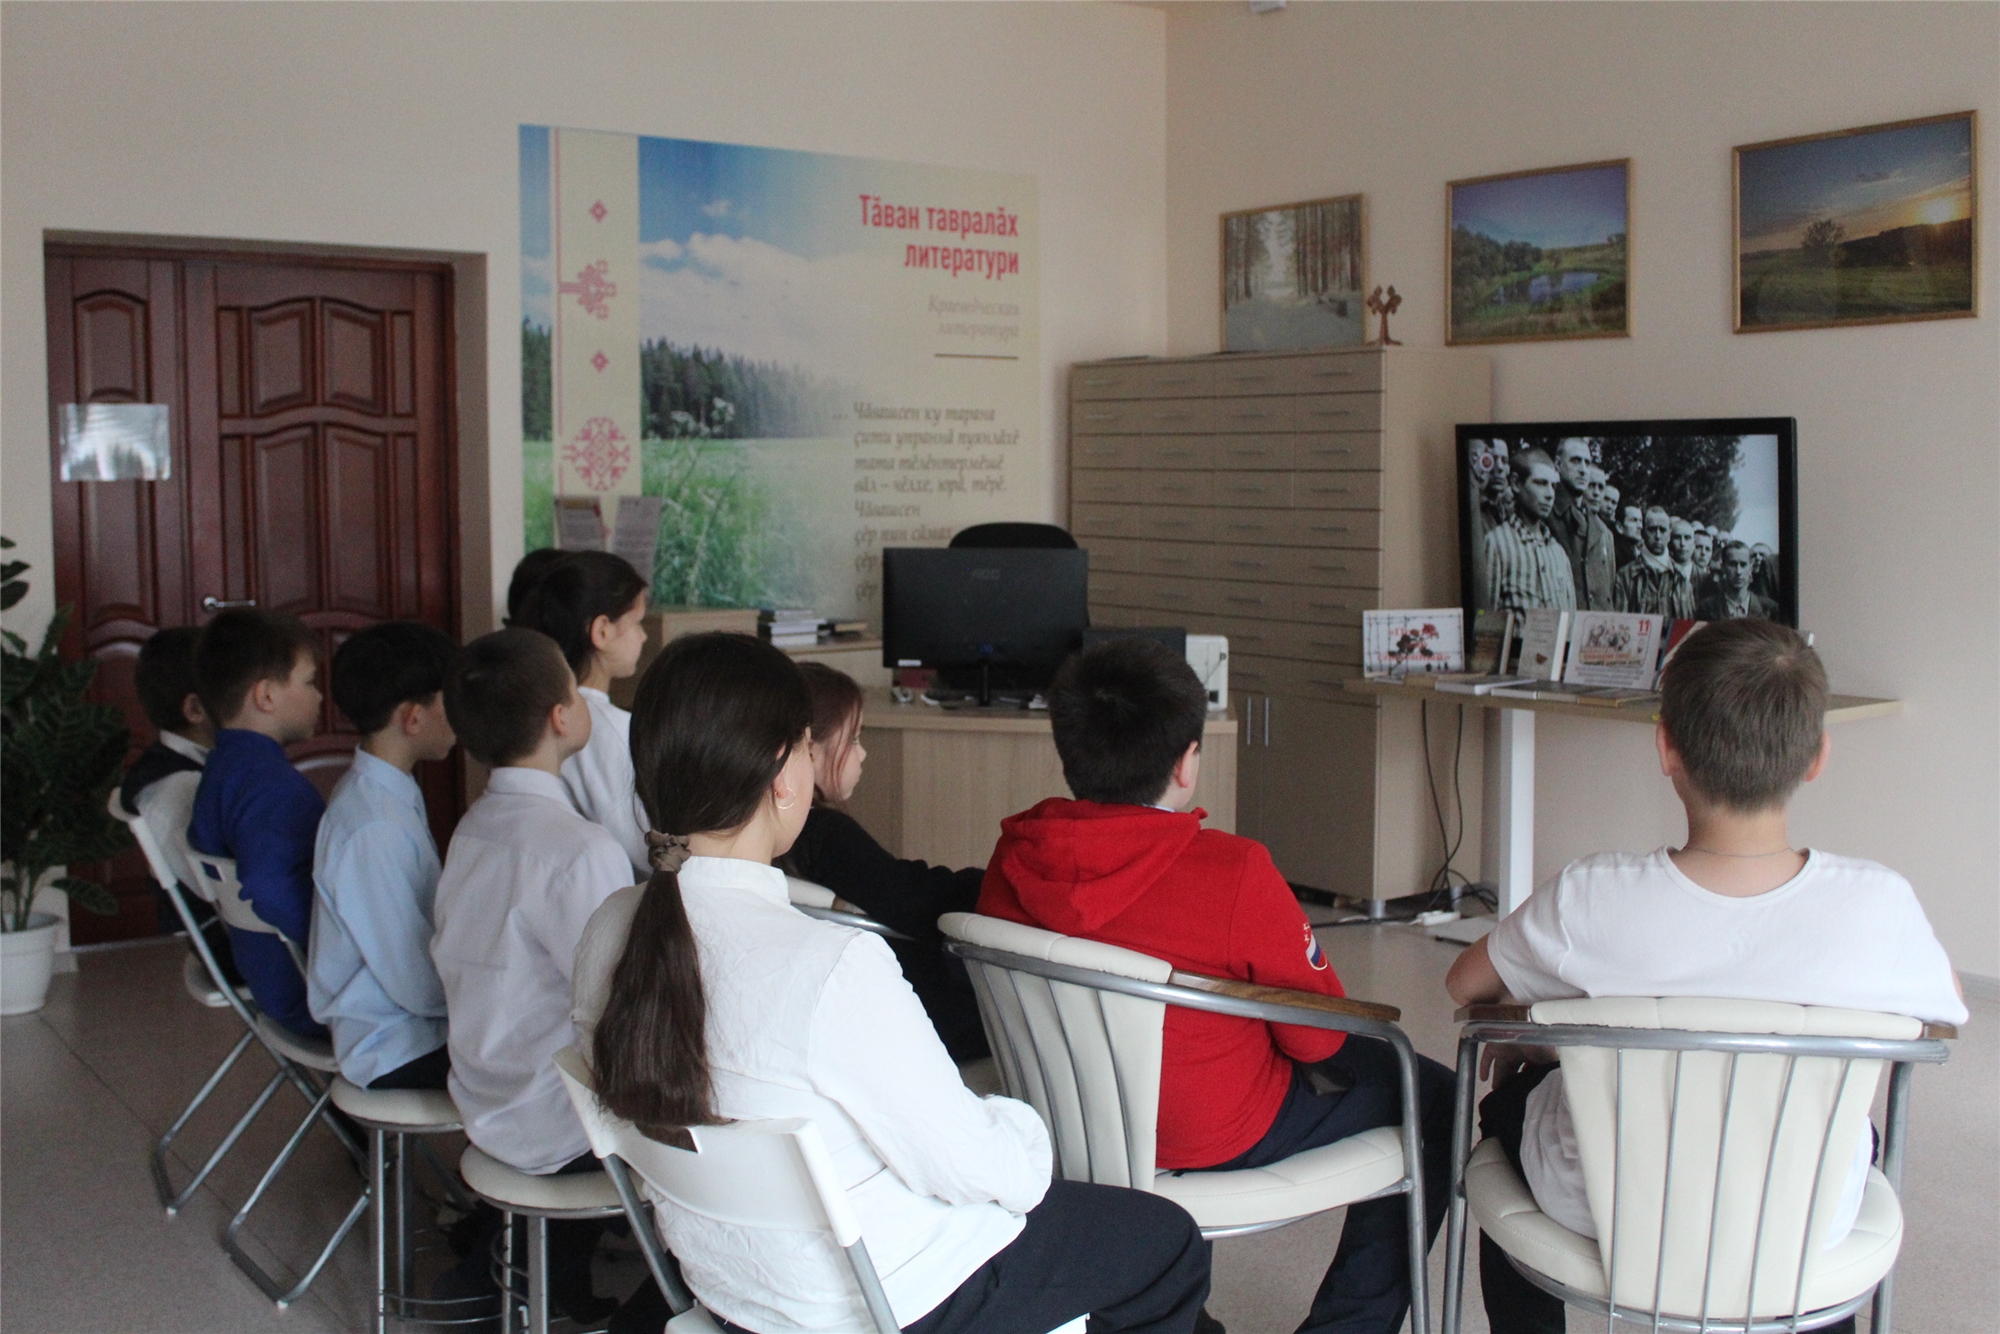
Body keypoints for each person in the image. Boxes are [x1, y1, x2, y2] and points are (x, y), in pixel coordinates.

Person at [574, 631, 1213, 1334]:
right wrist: (1027, 1131)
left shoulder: (609, 930)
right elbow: (974, 1167)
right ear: (783, 778)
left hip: (734, 1291)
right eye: (808, 749)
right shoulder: (829, 965)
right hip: (893, 1296)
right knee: (1170, 1244)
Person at [1445, 619, 1966, 1334]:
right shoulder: (1879, 905)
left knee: (1505, 1107)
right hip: (1803, 1213)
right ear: (1817, 756)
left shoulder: (1590, 897)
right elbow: (1942, 1017)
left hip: (1596, 1199)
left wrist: (1543, 1037)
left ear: (1666, 746)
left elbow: (1465, 987)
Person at [978, 638, 1453, 1334]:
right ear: (1187, 762)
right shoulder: (1234, 870)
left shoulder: (1015, 854)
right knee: (1430, 1092)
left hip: (1066, 1117)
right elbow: (1321, 1040)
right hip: (1210, 1132)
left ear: (1068, 752)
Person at [430, 628, 637, 1326]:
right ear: (561, 717)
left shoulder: (472, 828)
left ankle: (517, 1268)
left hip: (482, 1091)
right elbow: (619, 1001)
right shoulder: (580, 849)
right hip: (556, 1123)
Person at [778, 662, 989, 1060]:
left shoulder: (783, 834)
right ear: (809, 748)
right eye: (853, 739)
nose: (862, 753)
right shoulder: (821, 833)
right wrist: (1001, 883)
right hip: (916, 1019)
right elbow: (911, 898)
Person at [307, 622, 459, 1091]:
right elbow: (415, 981)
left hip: (413, 1021)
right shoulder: (372, 826)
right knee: (544, 1060)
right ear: (413, 718)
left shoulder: (385, 793)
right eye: (451, 702)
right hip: (393, 1043)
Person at [187, 609, 327, 1040]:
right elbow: (268, 884)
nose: (320, 696)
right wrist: (343, 948)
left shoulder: (222, 769)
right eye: (309, 682)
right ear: (265, 696)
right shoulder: (272, 787)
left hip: (269, 981)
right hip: (313, 995)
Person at [513, 551, 652, 876]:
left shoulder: (538, 710)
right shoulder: (607, 727)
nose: (644, 636)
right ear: (601, 631)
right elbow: (644, 847)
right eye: (637, 622)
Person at [122, 627, 238, 983]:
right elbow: (220, 891)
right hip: (240, 950)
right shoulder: (180, 788)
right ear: (195, 709)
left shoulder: (190, 770)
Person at [1482, 448, 1577, 614]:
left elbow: (1571, 617)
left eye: (1553, 486)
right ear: (1516, 483)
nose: (1550, 494)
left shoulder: (1558, 553)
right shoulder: (1497, 544)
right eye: (1540, 483)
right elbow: (1487, 619)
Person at [1545, 438, 1616, 609]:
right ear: (1558, 465)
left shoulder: (1598, 526)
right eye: (1576, 461)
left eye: (1587, 463)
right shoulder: (1547, 515)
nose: (1584, 470)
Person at [1612, 505, 1694, 621]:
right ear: (1643, 532)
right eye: (1652, 530)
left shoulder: (1680, 577)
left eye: (1662, 530)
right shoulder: (1626, 576)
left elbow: (1688, 622)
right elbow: (1619, 623)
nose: (1658, 536)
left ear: (1669, 534)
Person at [1695, 540, 1779, 621]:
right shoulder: (1707, 608)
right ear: (1723, 567)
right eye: (1732, 564)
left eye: (1743, 565)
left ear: (1751, 567)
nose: (1738, 571)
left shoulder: (1770, 609)